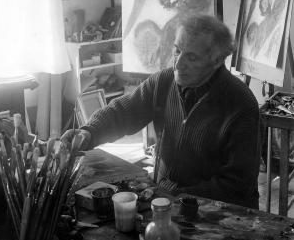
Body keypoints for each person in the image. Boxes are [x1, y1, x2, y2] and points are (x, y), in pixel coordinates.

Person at [62, 13, 261, 209]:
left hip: (220, 213)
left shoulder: (240, 105)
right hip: (167, 199)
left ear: (217, 60)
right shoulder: (164, 82)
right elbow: (123, 112)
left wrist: (176, 197)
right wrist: (89, 132)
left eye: (191, 57)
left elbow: (237, 186)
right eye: (177, 51)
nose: (178, 63)